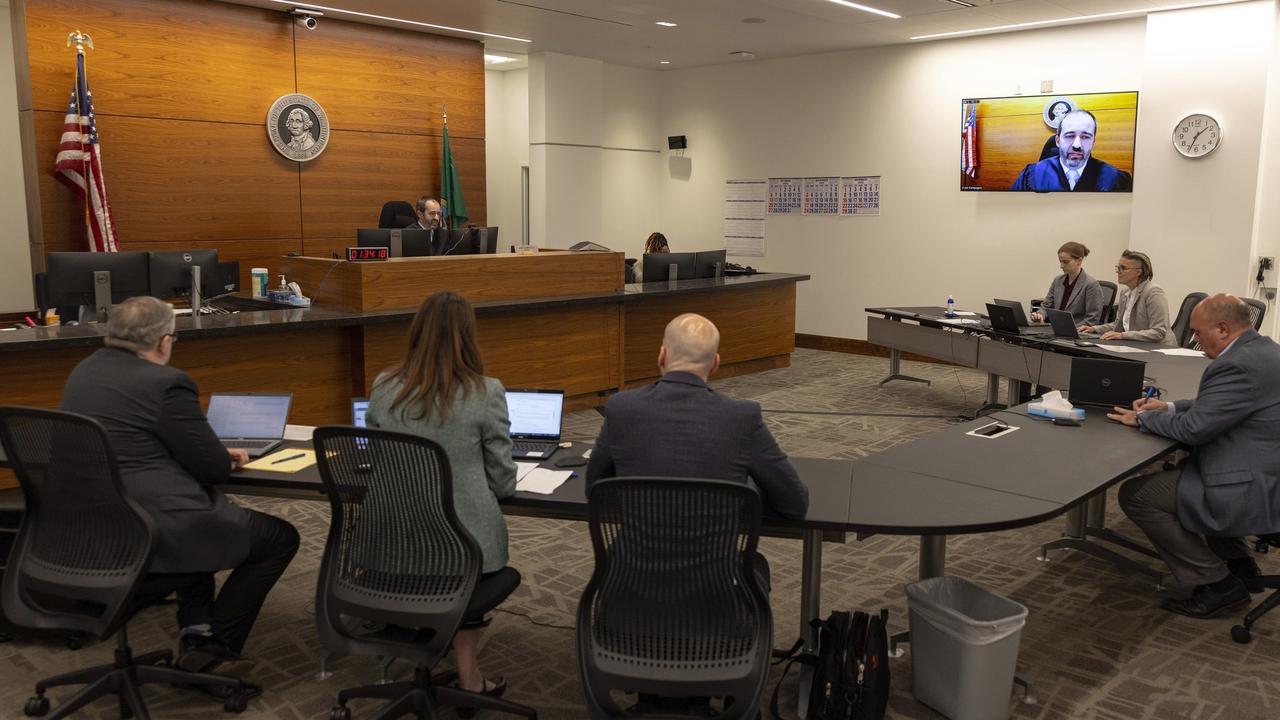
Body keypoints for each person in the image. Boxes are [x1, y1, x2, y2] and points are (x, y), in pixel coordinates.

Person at [58, 296, 299, 697]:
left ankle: (197, 630)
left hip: (93, 527)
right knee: (278, 538)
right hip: (152, 529)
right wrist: (224, 458)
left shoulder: (84, 371)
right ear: (164, 342)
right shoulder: (166, 383)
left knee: (199, 507)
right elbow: (213, 470)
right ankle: (213, 647)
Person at [586, 313, 806, 716]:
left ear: (661, 356)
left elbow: (595, 489)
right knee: (755, 565)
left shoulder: (622, 409)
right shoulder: (742, 417)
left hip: (630, 600)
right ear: (716, 364)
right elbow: (795, 503)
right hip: (718, 609)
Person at [365, 291, 517, 709]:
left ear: (416, 333)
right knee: (471, 570)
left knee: (456, 569)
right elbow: (503, 483)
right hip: (463, 558)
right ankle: (470, 680)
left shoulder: (383, 386)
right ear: (470, 337)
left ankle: (462, 672)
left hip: (390, 552)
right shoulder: (486, 393)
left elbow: (380, 462)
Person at [1109, 294, 1280, 618]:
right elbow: (1220, 403)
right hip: (1269, 470)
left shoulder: (1235, 365)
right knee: (1191, 468)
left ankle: (1218, 584)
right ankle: (1240, 565)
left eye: (1198, 333)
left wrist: (1144, 418)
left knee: (1138, 494)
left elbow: (1195, 430)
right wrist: (1168, 406)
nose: (1196, 343)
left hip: (1253, 486)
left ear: (1223, 329)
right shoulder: (1265, 349)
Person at [1011, 109, 1133, 192]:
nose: (1077, 145)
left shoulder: (1115, 179)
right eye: (1070, 136)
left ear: (1093, 142)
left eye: (1085, 137)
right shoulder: (1032, 175)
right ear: (1058, 141)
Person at [1079, 250, 1172, 344]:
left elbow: (1158, 332)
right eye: (1118, 268)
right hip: (1134, 346)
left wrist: (1122, 335)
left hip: (1158, 350)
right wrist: (1094, 329)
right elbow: (1118, 325)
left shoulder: (1154, 293)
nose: (1118, 272)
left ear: (1138, 272)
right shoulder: (1125, 292)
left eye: (1123, 268)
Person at [1031, 241, 1105, 325]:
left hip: (1077, 333)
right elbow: (1046, 306)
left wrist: (1070, 328)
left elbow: (1092, 319)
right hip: (1056, 329)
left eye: (1065, 262)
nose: (1061, 266)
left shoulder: (1091, 285)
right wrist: (1040, 315)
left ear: (1079, 261)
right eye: (1060, 261)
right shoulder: (1057, 281)